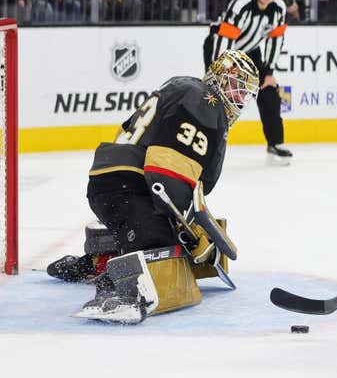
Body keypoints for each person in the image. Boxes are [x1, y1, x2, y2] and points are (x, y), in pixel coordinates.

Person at [46, 50, 260, 324]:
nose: (241, 99)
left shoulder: (188, 88)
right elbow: (166, 175)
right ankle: (114, 291)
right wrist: (191, 229)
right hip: (130, 186)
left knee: (171, 240)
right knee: (164, 248)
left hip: (119, 181)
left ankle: (95, 263)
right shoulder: (206, 102)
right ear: (221, 77)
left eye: (246, 94)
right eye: (238, 88)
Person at [203, 0, 293, 165]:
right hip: (220, 49)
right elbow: (223, 38)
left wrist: (268, 72)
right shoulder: (241, 5)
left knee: (269, 90)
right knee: (215, 98)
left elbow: (275, 40)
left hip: (249, 51)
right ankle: (206, 146)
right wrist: (220, 72)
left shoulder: (279, 7)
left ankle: (275, 144)